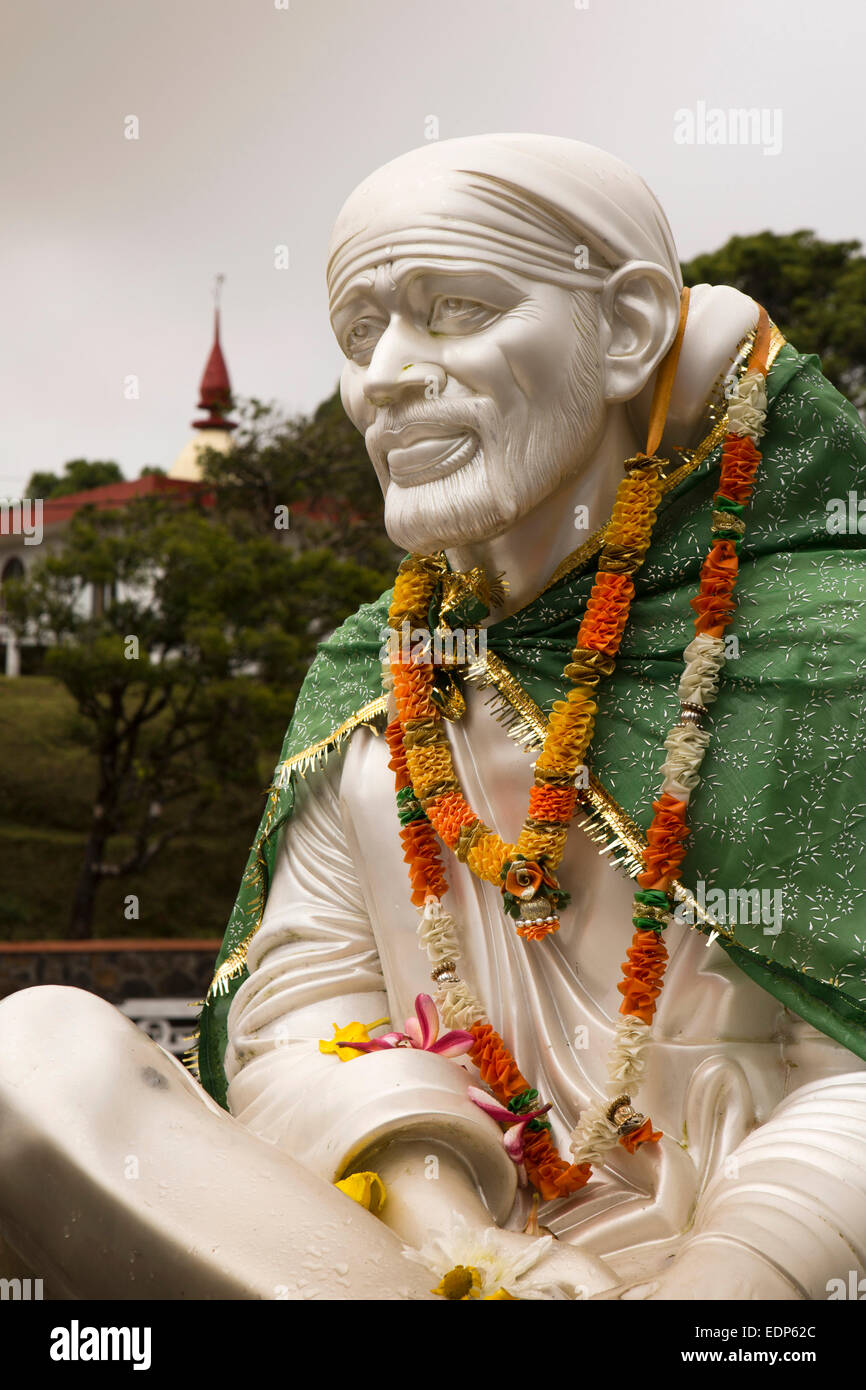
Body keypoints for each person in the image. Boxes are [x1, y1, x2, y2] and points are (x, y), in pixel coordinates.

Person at [2, 136, 865, 1301]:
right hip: (423, 1263)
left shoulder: (819, 645)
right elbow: (304, 1009)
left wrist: (728, 1275)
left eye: (451, 310)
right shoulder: (379, 669)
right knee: (35, 1060)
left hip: (771, 1276)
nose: (383, 377)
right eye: (358, 334)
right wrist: (455, 1231)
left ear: (623, 326)